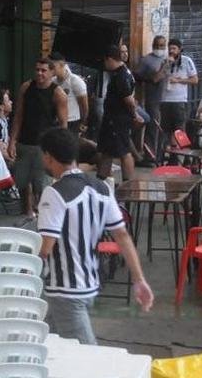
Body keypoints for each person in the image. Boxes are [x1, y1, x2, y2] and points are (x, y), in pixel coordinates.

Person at [37, 128, 153, 344]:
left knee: (88, 355)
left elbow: (45, 248)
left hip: (64, 289)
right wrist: (139, 279)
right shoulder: (101, 188)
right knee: (44, 344)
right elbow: (122, 236)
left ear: (48, 156)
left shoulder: (54, 193)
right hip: (88, 284)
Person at [11, 58, 69, 220]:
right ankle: (28, 211)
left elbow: (63, 123)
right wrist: (12, 140)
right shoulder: (26, 88)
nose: (39, 73)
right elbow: (18, 115)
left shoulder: (58, 94)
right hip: (24, 141)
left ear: (52, 73)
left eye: (44, 70)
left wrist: (58, 148)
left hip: (44, 146)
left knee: (42, 183)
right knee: (22, 181)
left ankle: (46, 214)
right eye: (37, 70)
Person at [96, 45, 139, 182]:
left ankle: (129, 183)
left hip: (118, 120)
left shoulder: (121, 76)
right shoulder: (120, 73)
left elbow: (129, 99)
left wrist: (134, 114)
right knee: (107, 151)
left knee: (123, 151)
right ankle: (102, 179)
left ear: (109, 59)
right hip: (111, 119)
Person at [160, 38, 198, 160]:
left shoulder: (187, 61)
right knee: (167, 130)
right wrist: (166, 65)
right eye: (170, 48)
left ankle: (186, 156)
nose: (171, 51)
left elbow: (194, 80)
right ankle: (171, 155)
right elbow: (158, 77)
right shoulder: (165, 61)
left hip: (179, 100)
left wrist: (179, 80)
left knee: (179, 130)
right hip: (165, 100)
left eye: (174, 48)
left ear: (180, 49)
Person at [133, 35, 170, 159]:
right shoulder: (146, 60)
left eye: (162, 45)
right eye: (157, 45)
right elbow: (137, 76)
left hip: (167, 99)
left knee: (164, 129)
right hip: (152, 99)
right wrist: (153, 77)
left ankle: (160, 154)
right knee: (152, 128)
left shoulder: (167, 59)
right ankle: (150, 156)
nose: (159, 48)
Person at [50, 51, 90, 136]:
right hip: (56, 120)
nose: (51, 69)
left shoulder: (76, 81)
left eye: (53, 67)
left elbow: (84, 105)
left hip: (72, 121)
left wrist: (83, 122)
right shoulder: (52, 81)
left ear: (61, 65)